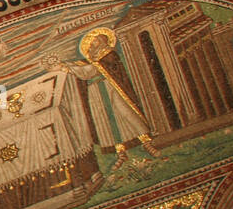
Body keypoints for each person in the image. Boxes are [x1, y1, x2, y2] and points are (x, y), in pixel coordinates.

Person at [60, 29, 161, 170]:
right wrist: (70, 66)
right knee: (105, 122)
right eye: (91, 43)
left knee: (126, 113)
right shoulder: (92, 60)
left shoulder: (108, 54)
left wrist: (70, 68)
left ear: (103, 40)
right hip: (96, 92)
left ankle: (147, 143)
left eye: (95, 41)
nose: (92, 44)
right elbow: (87, 68)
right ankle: (120, 153)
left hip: (112, 88)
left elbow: (90, 71)